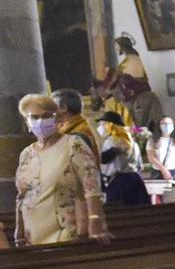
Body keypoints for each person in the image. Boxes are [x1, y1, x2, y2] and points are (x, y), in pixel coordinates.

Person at [14, 93, 109, 245]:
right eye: (34, 117)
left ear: (57, 118)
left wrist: (95, 221)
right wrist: (19, 230)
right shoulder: (27, 154)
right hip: (33, 234)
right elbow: (22, 196)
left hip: (65, 231)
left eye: (46, 116)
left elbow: (91, 185)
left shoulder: (72, 144)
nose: (40, 121)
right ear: (27, 121)